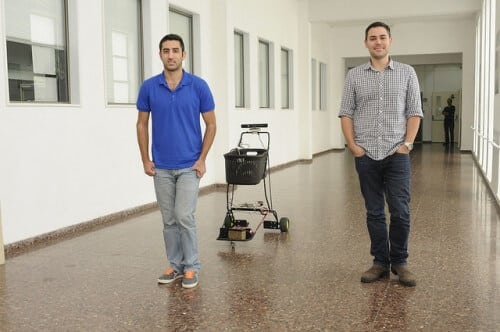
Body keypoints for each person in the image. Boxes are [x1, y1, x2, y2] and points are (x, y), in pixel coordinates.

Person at [339, 22, 423, 287]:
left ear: (390, 41)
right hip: (366, 155)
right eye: (372, 38)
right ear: (366, 43)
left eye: (382, 37)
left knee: (400, 211)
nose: (378, 42)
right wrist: (353, 146)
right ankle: (380, 262)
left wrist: (407, 144)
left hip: (397, 153)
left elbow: (414, 112)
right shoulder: (354, 75)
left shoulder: (407, 73)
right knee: (374, 211)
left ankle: (400, 261)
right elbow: (346, 112)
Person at [136, 34, 216, 289]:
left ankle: (191, 266)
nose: (170, 55)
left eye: (175, 50)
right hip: (161, 166)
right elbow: (141, 124)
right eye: (165, 50)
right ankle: (175, 265)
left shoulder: (198, 86)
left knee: (184, 216)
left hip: (189, 166)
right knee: (169, 219)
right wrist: (145, 159)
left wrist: (202, 159)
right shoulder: (149, 87)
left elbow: (212, 125)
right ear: (160, 54)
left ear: (184, 54)